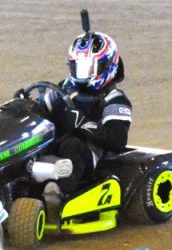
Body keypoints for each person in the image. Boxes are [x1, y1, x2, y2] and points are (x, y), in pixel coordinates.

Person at [25, 29, 132, 198]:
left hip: (89, 155)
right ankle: (16, 185)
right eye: (79, 67)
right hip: (59, 144)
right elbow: (43, 112)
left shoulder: (115, 100)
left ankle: (60, 195)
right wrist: (26, 106)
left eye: (88, 68)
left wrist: (82, 123)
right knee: (32, 138)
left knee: (72, 145)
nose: (83, 75)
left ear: (106, 67)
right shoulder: (65, 88)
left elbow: (117, 140)